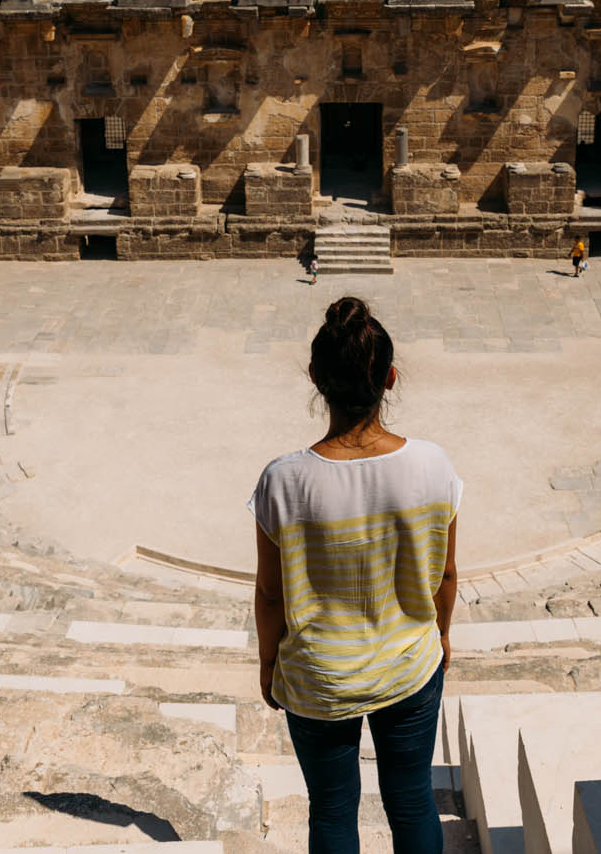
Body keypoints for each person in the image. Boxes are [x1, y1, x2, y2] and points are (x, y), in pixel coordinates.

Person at [251, 296, 461, 854]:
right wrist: (439, 635)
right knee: (412, 799)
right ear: (390, 378)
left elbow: (271, 594)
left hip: (318, 674)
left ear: (317, 378)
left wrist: (269, 662)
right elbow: (445, 575)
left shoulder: (283, 480)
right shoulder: (433, 465)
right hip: (409, 665)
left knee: (332, 810)